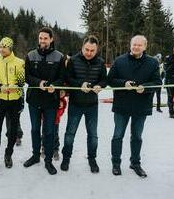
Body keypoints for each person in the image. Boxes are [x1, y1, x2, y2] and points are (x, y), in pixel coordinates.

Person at [108, 35, 162, 178]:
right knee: (118, 135)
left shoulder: (152, 63)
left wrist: (145, 87)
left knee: (137, 136)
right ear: (130, 45)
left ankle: (135, 163)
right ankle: (116, 163)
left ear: (145, 47)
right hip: (122, 105)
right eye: (134, 44)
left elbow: (157, 82)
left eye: (139, 45)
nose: (136, 47)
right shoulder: (119, 61)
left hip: (141, 106)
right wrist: (123, 83)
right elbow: (110, 80)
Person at [61, 35, 107, 173]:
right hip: (76, 104)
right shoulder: (73, 60)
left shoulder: (100, 62)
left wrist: (100, 86)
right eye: (87, 49)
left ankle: (92, 159)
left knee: (93, 135)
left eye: (92, 51)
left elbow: (104, 80)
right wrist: (79, 84)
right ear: (82, 47)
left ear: (96, 50)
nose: (89, 53)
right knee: (70, 133)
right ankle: (66, 158)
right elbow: (67, 78)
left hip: (92, 105)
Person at [23, 27, 66, 175]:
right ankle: (35, 156)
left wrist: (55, 85)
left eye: (45, 38)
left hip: (51, 100)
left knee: (49, 131)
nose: (42, 41)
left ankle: (48, 160)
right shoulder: (30, 55)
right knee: (35, 129)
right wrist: (38, 82)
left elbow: (62, 77)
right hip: (34, 99)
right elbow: (26, 76)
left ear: (51, 39)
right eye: (40, 38)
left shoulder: (59, 57)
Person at [0, 37, 25, 173]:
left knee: (13, 131)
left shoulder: (20, 63)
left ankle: (8, 155)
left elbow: (22, 81)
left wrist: (16, 86)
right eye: (0, 46)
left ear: (10, 48)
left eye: (5, 47)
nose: (2, 49)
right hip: (0, 100)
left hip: (14, 100)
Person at [164, 48, 174, 118]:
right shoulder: (169, 58)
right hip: (170, 80)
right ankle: (171, 112)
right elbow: (166, 69)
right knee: (170, 96)